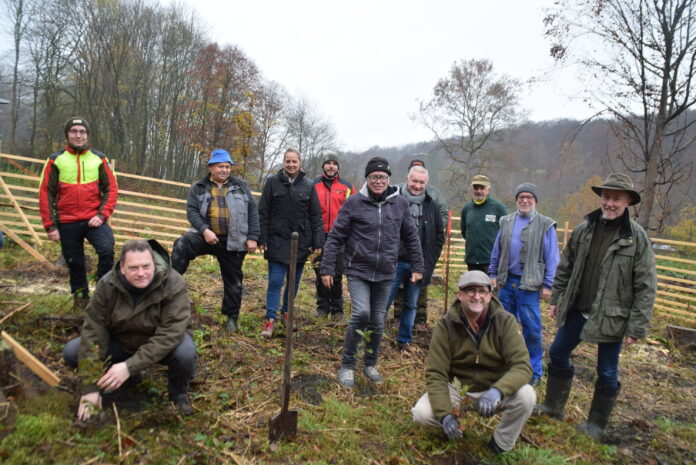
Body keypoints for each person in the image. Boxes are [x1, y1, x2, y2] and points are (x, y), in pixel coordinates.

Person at [537, 173, 656, 440]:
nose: (609, 203)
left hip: (613, 317)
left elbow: (646, 286)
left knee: (607, 370)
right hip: (579, 309)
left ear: (627, 202)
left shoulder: (636, 238)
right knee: (557, 352)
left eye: (616, 198)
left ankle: (596, 425)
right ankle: (552, 407)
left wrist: (636, 326)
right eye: (606, 197)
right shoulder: (584, 229)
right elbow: (566, 266)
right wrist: (558, 299)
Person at [63, 239, 197, 419]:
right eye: (133, 268)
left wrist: (129, 366)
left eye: (146, 266)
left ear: (153, 263)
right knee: (73, 351)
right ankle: (129, 379)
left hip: (159, 344)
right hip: (121, 342)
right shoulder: (107, 285)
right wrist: (89, 389)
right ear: (122, 268)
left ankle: (178, 394)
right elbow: (94, 332)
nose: (141, 273)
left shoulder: (173, 282)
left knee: (185, 352)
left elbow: (170, 333)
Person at [321, 157, 424, 388]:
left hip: (387, 271)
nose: (378, 181)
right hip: (358, 269)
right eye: (374, 176)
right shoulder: (354, 203)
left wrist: (418, 265)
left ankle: (370, 363)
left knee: (378, 320)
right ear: (367, 179)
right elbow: (336, 236)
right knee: (361, 314)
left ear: (389, 179)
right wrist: (327, 267)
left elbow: (411, 236)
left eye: (383, 177)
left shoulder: (399, 204)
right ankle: (347, 364)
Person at [412, 271, 535, 454]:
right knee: (422, 413)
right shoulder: (445, 326)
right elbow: (436, 374)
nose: (476, 296)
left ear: (489, 296)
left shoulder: (505, 321)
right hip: (458, 390)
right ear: (459, 295)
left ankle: (500, 443)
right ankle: (453, 425)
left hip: (493, 390)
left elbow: (522, 366)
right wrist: (445, 414)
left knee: (527, 396)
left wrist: (497, 391)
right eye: (470, 291)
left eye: (481, 291)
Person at [171, 149, 259, 333]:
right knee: (182, 244)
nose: (225, 170)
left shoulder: (241, 186)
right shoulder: (199, 187)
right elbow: (192, 212)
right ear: (211, 167)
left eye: (227, 167)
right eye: (221, 166)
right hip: (206, 236)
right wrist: (204, 230)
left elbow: (252, 211)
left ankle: (231, 317)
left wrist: (252, 237)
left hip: (233, 240)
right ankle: (169, 289)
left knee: (234, 280)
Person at [39, 117, 118, 308]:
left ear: (87, 135)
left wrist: (101, 215)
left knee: (107, 250)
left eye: (82, 132)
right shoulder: (55, 160)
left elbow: (112, 189)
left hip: (94, 219)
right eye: (74, 131)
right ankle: (81, 300)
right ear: (67, 134)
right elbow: (45, 193)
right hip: (67, 221)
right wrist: (50, 226)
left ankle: (102, 295)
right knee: (75, 263)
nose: (78, 135)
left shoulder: (99, 159)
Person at [489, 183, 560, 386]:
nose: (525, 200)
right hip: (507, 282)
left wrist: (548, 285)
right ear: (516, 200)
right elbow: (497, 249)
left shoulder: (545, 224)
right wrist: (493, 273)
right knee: (502, 325)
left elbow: (553, 258)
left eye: (529, 197)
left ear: (535, 200)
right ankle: (503, 365)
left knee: (532, 329)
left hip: (529, 284)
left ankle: (534, 371)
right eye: (521, 197)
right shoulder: (506, 221)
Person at [258, 148, 324, 337]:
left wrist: (318, 241)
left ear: (300, 163)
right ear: (283, 163)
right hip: (276, 240)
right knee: (275, 281)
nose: (291, 165)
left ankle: (287, 312)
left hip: (300, 243)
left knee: (293, 282)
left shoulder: (309, 185)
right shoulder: (272, 182)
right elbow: (263, 212)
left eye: (294, 161)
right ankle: (270, 319)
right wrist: (263, 238)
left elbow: (315, 216)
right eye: (288, 161)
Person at [385, 165, 444, 349]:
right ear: (407, 179)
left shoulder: (431, 206)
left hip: (418, 265)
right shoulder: (392, 201)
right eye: (414, 181)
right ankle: (373, 338)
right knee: (383, 302)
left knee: (411, 305)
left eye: (421, 182)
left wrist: (428, 264)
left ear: (426, 183)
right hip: (393, 262)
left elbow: (438, 238)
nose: (417, 186)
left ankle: (404, 341)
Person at [312, 153, 353, 320]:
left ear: (338, 167)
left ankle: (337, 309)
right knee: (320, 271)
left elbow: (353, 211)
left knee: (336, 273)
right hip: (319, 235)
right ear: (323, 166)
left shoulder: (347, 187)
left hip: (339, 236)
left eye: (334, 164)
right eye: (328, 163)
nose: (330, 166)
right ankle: (322, 307)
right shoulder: (313, 185)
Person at [460, 174, 508, 273]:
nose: (479, 191)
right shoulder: (466, 209)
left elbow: (507, 233)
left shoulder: (498, 208)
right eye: (476, 188)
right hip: (471, 261)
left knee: (489, 288)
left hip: (491, 262)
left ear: (488, 189)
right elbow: (464, 232)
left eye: (482, 188)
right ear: (472, 189)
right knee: (473, 288)